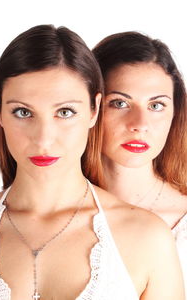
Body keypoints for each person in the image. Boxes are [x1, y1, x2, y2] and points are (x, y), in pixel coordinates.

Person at [0, 25, 184, 300]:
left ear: (93, 110)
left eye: (65, 112)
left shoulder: (148, 237)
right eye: (22, 112)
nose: (44, 139)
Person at [93, 31, 187, 295]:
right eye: (120, 103)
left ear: (174, 113)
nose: (139, 125)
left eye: (156, 106)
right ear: (91, 108)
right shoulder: (56, 214)